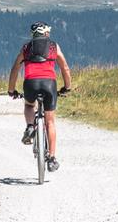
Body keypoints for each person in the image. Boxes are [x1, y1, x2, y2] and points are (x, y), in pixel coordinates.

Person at [8, 22, 72, 172]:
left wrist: (12, 90)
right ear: (46, 33)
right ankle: (51, 158)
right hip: (49, 84)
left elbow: (15, 68)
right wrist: (67, 87)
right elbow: (65, 68)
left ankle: (30, 126)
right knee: (50, 122)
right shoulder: (53, 47)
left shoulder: (26, 48)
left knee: (29, 105)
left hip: (31, 83)